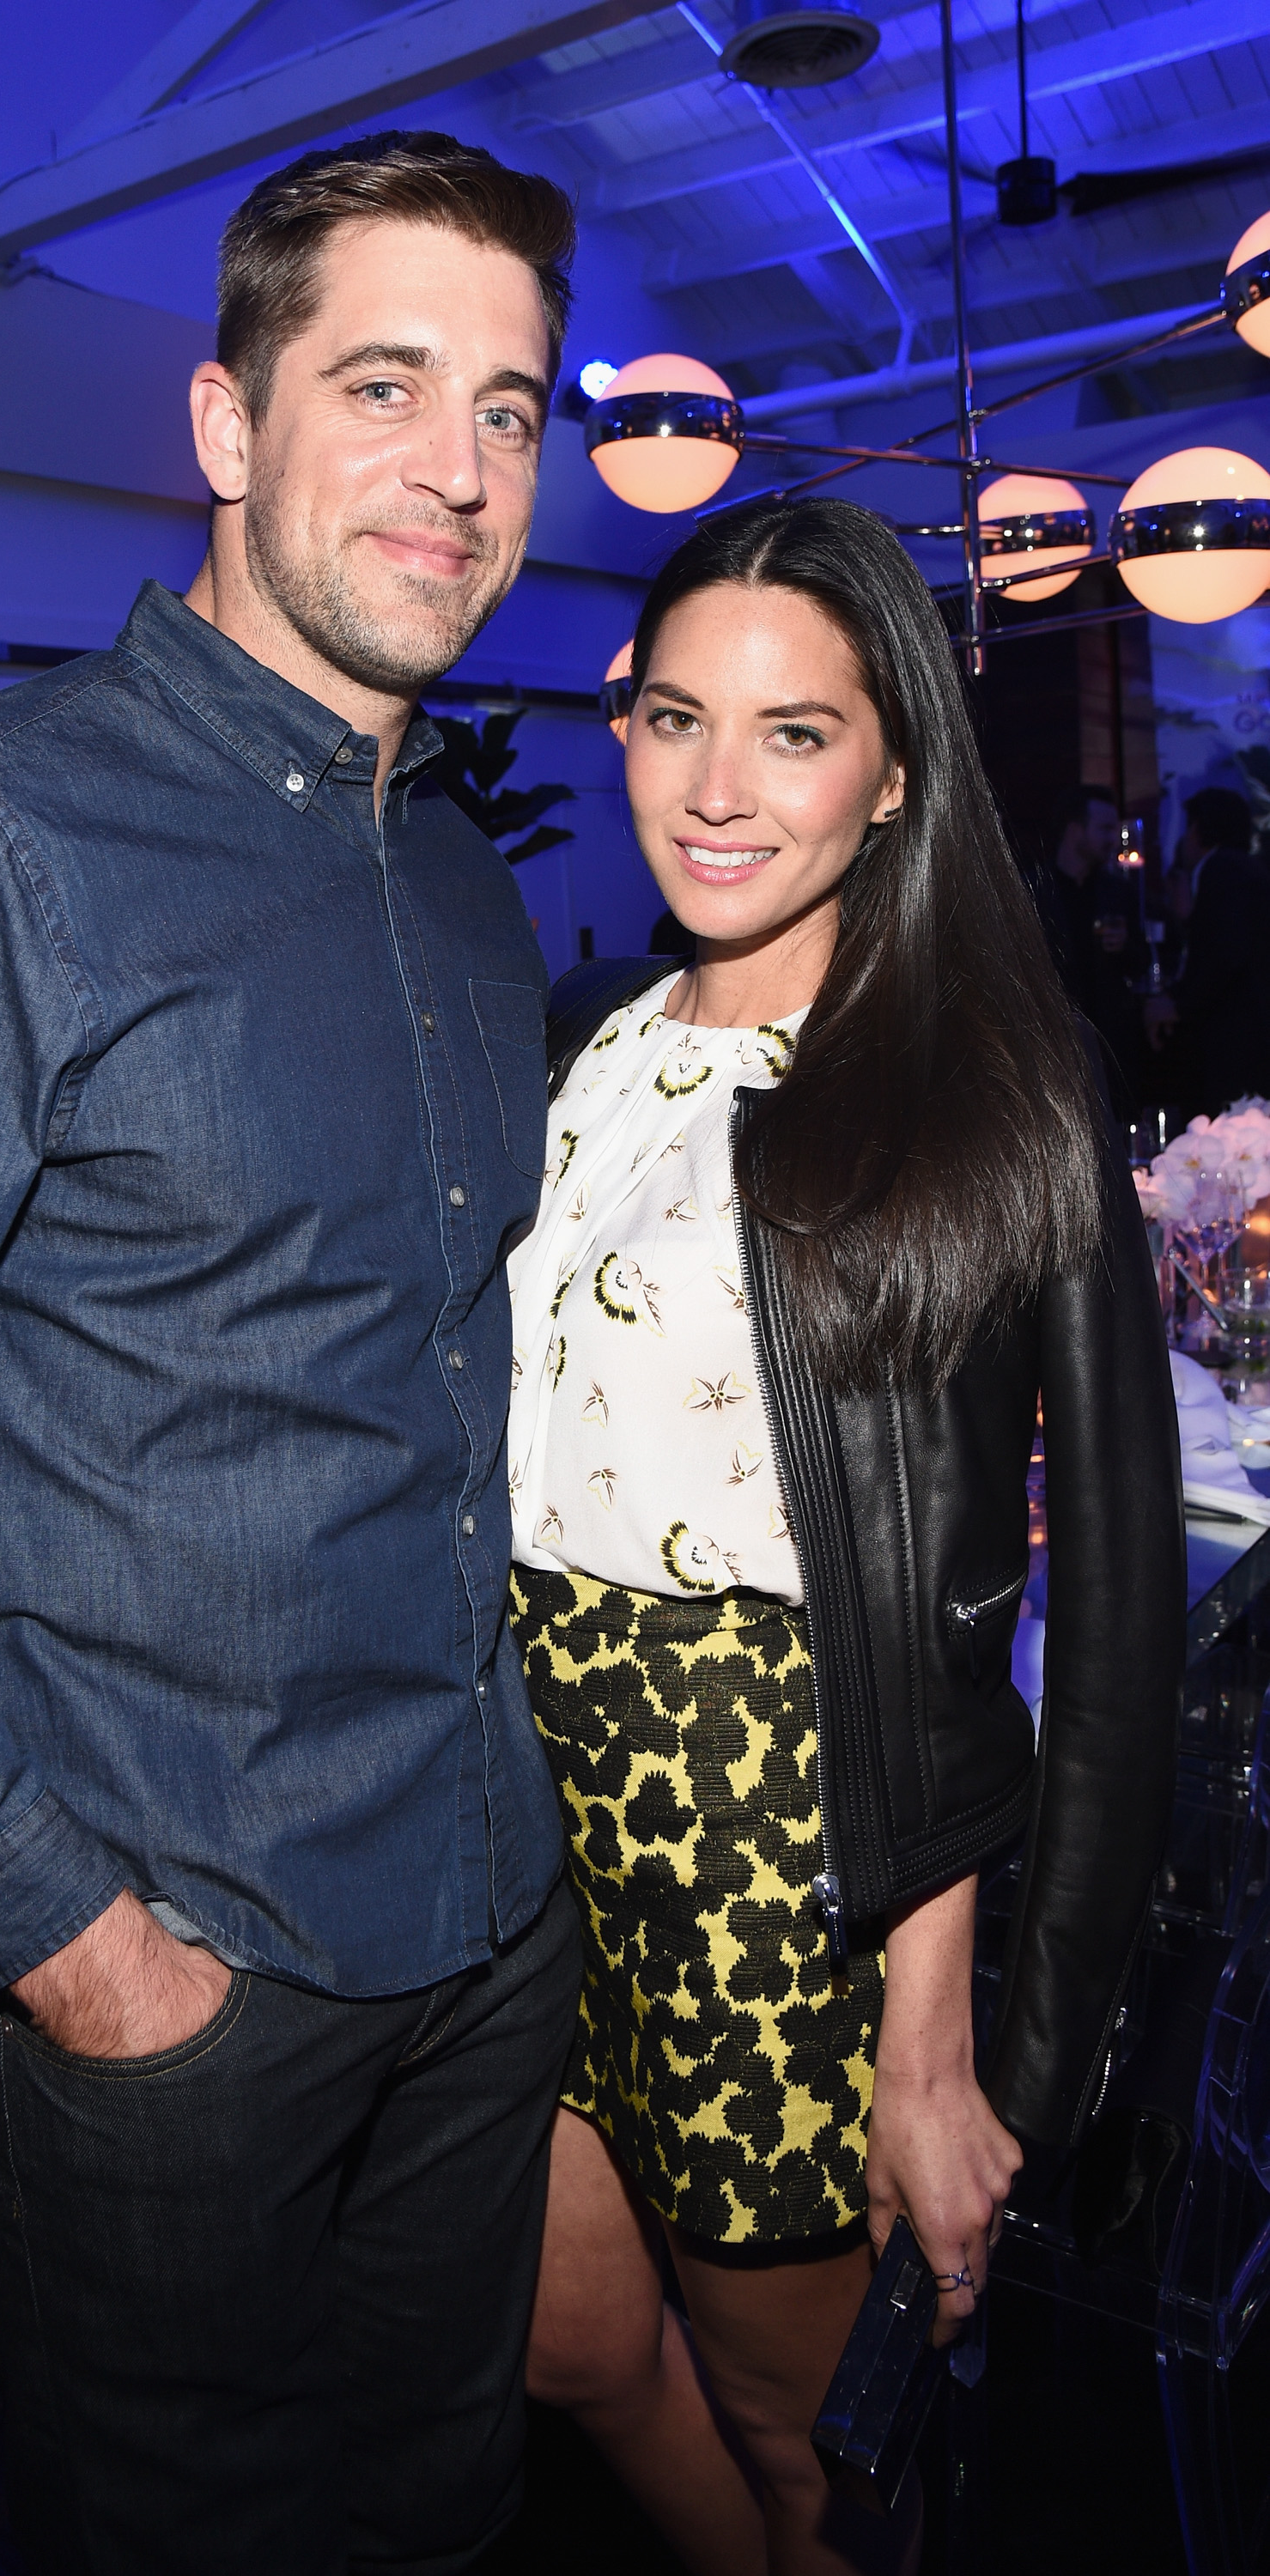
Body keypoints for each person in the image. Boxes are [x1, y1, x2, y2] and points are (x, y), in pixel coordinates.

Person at [0, 135, 583, 2574]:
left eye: (506, 408)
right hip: (176, 1986)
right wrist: (65, 1936)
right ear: (221, 423)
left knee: (448, 2521)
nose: (456, 471)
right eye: (379, 385)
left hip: (481, 1937)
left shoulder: (465, 884)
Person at [507, 499, 1182, 2574]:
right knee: (565, 2344)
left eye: (792, 734)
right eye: (670, 716)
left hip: (779, 1873)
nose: (713, 789)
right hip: (529, 1832)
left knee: (821, 2443)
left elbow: (1088, 1607)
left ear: (893, 772)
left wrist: (966, 2047)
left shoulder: (987, 1084)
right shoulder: (587, 1050)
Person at [1145, 785, 1270, 1115]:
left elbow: (1226, 956)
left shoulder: (1223, 870)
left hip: (1239, 1040)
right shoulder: (1242, 870)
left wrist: (1179, 1007)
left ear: (1199, 829)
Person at [1029, 782, 1146, 1114]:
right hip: (1053, 1041)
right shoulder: (1034, 889)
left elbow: (1142, 963)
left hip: (1111, 1044)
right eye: (1105, 828)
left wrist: (1125, 947)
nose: (1113, 838)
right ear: (1075, 829)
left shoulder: (1116, 891)